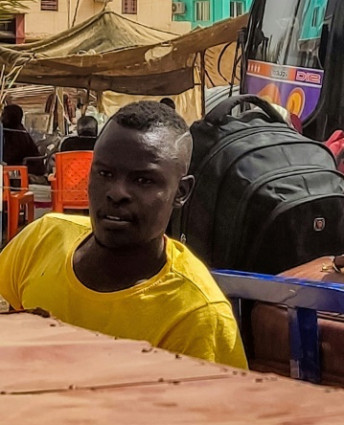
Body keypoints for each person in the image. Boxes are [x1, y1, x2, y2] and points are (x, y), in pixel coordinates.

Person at [0, 101, 248, 370]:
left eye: (143, 180)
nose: (117, 193)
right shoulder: (42, 239)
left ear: (181, 192)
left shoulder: (195, 314)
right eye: (104, 173)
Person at [1, 104, 41, 168]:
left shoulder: (17, 133)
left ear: (11, 116)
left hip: (28, 167)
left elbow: (11, 156)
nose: (1, 118)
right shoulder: (11, 130)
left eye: (4, 115)